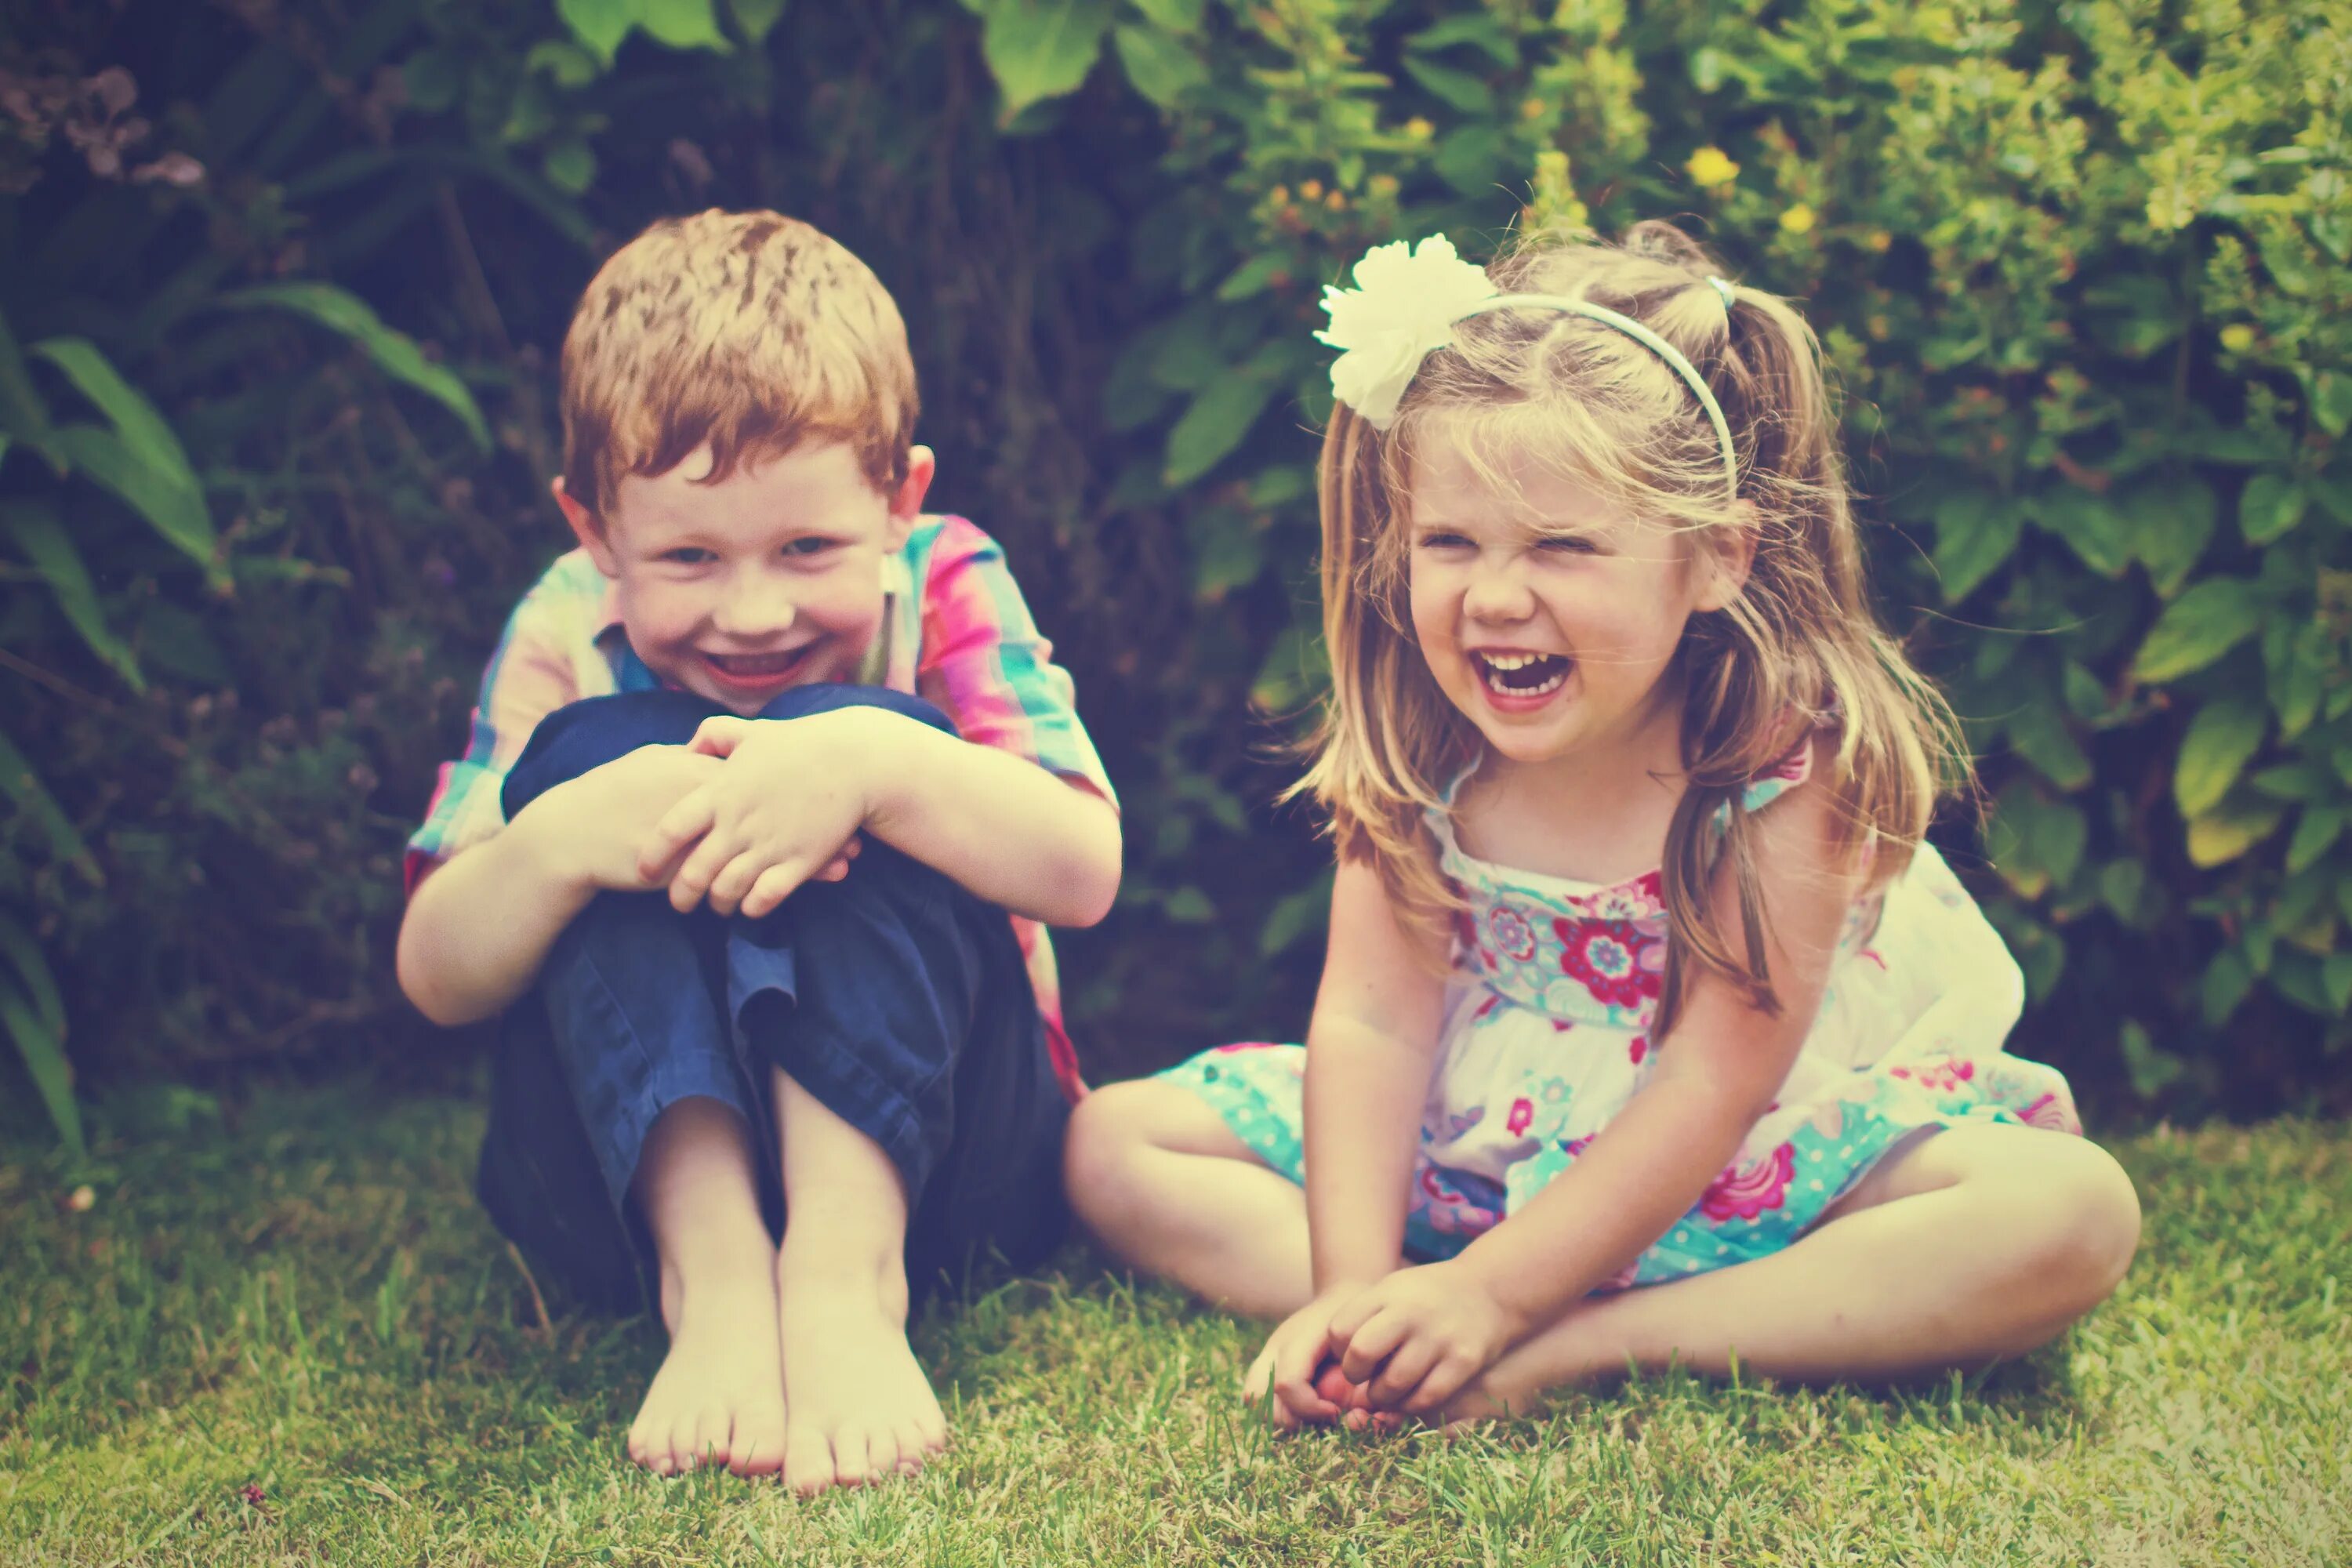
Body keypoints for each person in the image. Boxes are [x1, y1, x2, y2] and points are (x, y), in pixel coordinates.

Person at [1064, 221, 2139, 1430]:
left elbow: (1712, 1083)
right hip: (1482, 1147)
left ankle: (1582, 1344)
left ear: (1716, 559)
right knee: (1116, 1144)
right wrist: (1351, 1283)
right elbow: (1370, 1024)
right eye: (1450, 542)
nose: (1497, 595)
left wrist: (1496, 1298)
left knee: (2072, 1211)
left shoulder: (1779, 763)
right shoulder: (1425, 745)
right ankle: (1398, 1330)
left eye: (1564, 547)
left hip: (1732, 1159)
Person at [395, 210, 1120, 1490]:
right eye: (688, 557)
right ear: (594, 530)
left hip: (951, 1171)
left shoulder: (947, 577)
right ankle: (716, 1278)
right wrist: (567, 839)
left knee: (852, 734)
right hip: (613, 1190)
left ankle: (846, 1283)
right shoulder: (565, 622)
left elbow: (1081, 867)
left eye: (807, 548)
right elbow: (437, 971)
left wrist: (876, 771)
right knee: (583, 765)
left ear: (901, 501)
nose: (754, 612)